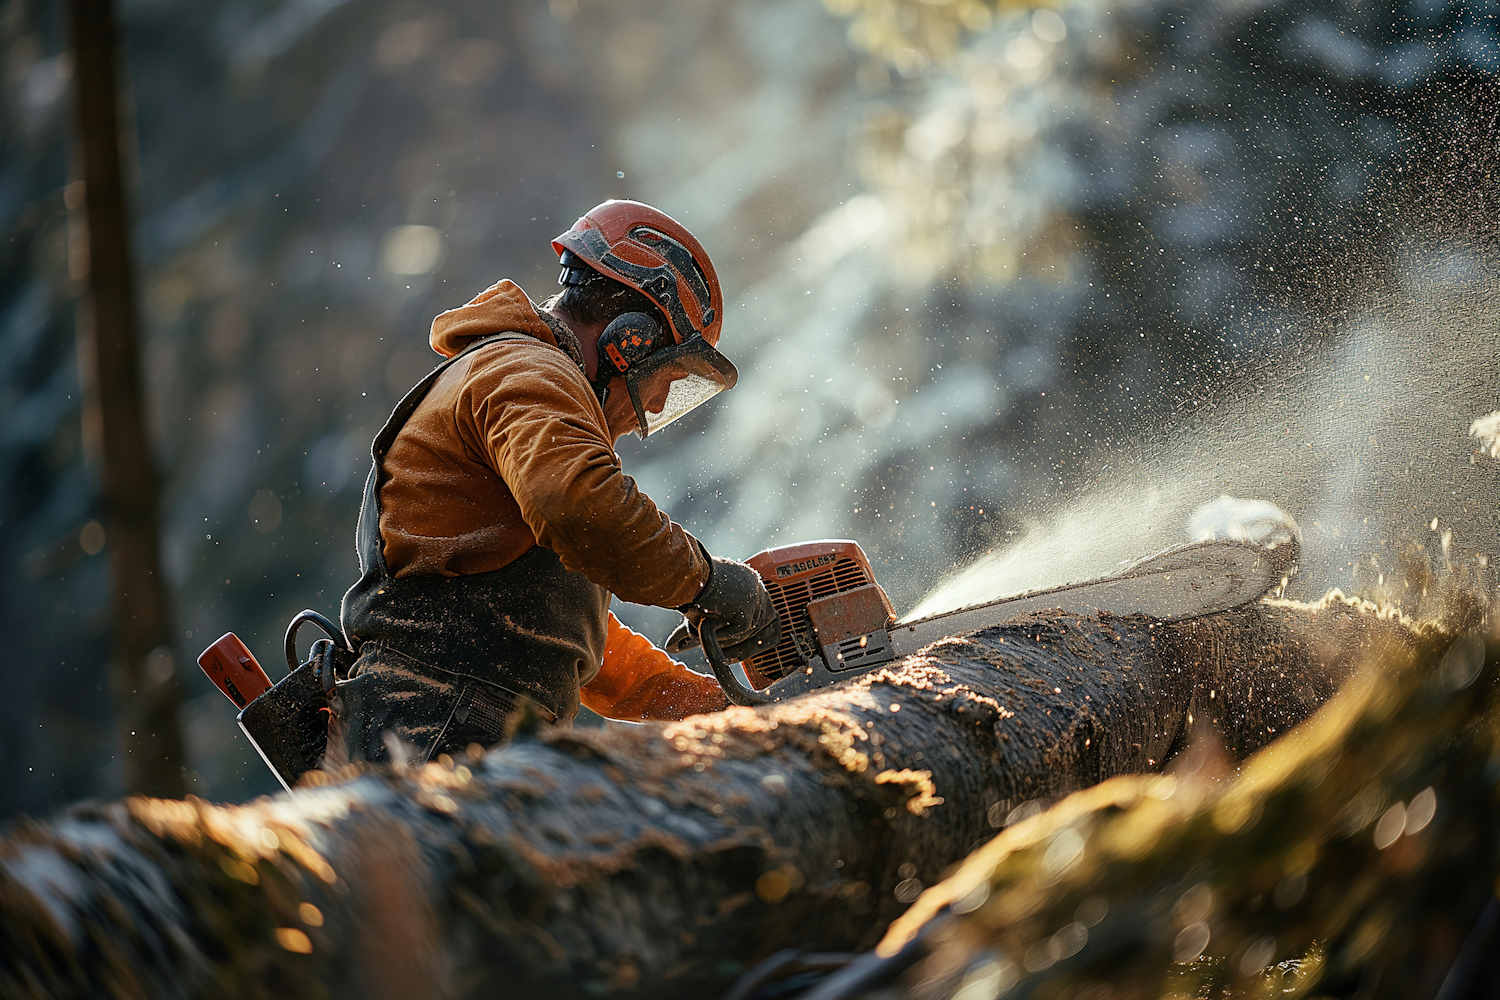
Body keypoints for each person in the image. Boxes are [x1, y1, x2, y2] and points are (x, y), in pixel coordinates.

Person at [328, 200, 780, 765]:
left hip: (457, 724)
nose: (659, 403)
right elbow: (578, 502)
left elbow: (570, 641)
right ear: (629, 338)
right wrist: (706, 582)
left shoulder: (522, 384)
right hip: (435, 734)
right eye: (667, 377)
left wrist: (712, 706)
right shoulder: (525, 372)